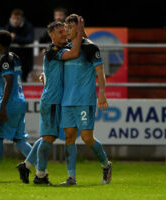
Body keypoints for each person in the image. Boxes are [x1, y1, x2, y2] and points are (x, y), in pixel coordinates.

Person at [16, 19, 84, 184]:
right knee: (48, 138)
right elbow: (75, 54)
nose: (64, 34)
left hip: (58, 100)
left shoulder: (60, 50)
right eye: (60, 32)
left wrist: (45, 76)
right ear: (51, 35)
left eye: (65, 31)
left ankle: (26, 165)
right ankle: (40, 175)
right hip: (52, 100)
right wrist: (80, 32)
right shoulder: (53, 50)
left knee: (48, 136)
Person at [60, 14, 112, 185]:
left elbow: (99, 71)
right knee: (69, 137)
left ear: (78, 28)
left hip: (84, 100)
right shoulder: (65, 48)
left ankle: (105, 165)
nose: (66, 30)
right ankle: (71, 177)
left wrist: (102, 92)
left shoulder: (90, 48)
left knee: (87, 138)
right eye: (65, 27)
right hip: (67, 100)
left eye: (69, 27)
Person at [0, 30, 32, 182]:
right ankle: (42, 170)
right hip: (20, 101)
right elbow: (11, 77)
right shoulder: (14, 57)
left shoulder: (4, 59)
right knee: (19, 139)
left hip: (9, 103)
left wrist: (2, 106)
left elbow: (9, 81)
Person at [5, 9, 34, 82]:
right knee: (10, 82)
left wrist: (15, 38)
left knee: (24, 82)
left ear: (22, 19)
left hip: (25, 61)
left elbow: (29, 40)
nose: (15, 21)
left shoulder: (28, 26)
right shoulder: (8, 27)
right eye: (13, 18)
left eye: (17, 19)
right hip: (11, 60)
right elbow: (3, 40)